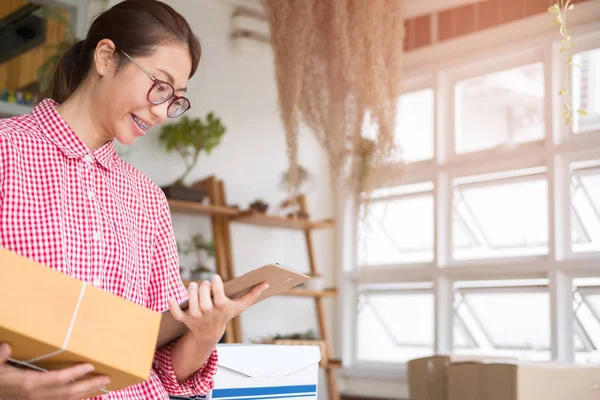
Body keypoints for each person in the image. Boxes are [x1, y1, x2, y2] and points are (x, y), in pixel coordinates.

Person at [0, 1, 268, 399]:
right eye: (159, 86)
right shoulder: (7, 151)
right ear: (106, 58)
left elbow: (159, 366)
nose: (162, 112)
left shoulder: (147, 199)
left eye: (175, 98)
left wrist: (205, 333)